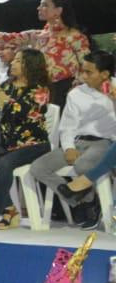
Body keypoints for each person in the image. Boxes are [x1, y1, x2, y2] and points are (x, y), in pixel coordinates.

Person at [30, 50, 115, 229]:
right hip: (78, 142)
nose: (83, 76)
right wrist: (68, 147)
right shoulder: (76, 94)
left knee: (83, 166)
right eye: (82, 71)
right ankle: (85, 202)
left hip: (105, 142)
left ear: (105, 74)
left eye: (89, 72)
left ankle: (87, 201)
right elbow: (67, 125)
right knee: (38, 168)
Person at [0, 0, 91, 105]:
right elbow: (4, 39)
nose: (39, 8)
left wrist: (76, 90)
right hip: (38, 91)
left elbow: (87, 67)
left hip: (66, 93)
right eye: (40, 4)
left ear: (58, 10)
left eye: (45, 5)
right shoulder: (37, 35)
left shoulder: (75, 37)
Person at [0, 47, 52, 229]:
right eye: (14, 60)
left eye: (18, 60)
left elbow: (21, 113)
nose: (13, 63)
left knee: (5, 164)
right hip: (8, 145)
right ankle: (9, 208)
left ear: (30, 65)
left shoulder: (41, 90)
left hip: (35, 144)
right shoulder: (8, 86)